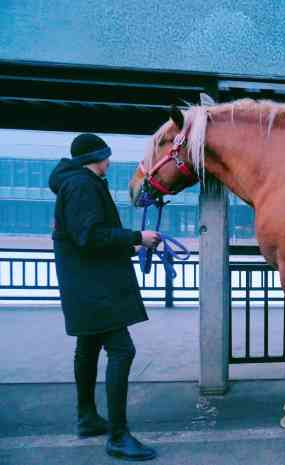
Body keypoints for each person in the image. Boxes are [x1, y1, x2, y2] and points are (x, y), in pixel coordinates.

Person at [49, 133, 161, 461]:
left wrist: (130, 244)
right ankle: (118, 435)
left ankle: (87, 418)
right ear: (96, 158)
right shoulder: (82, 185)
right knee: (122, 350)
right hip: (95, 288)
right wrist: (137, 235)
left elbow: (85, 236)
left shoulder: (72, 183)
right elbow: (90, 236)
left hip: (82, 285)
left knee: (87, 347)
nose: (109, 161)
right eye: (106, 156)